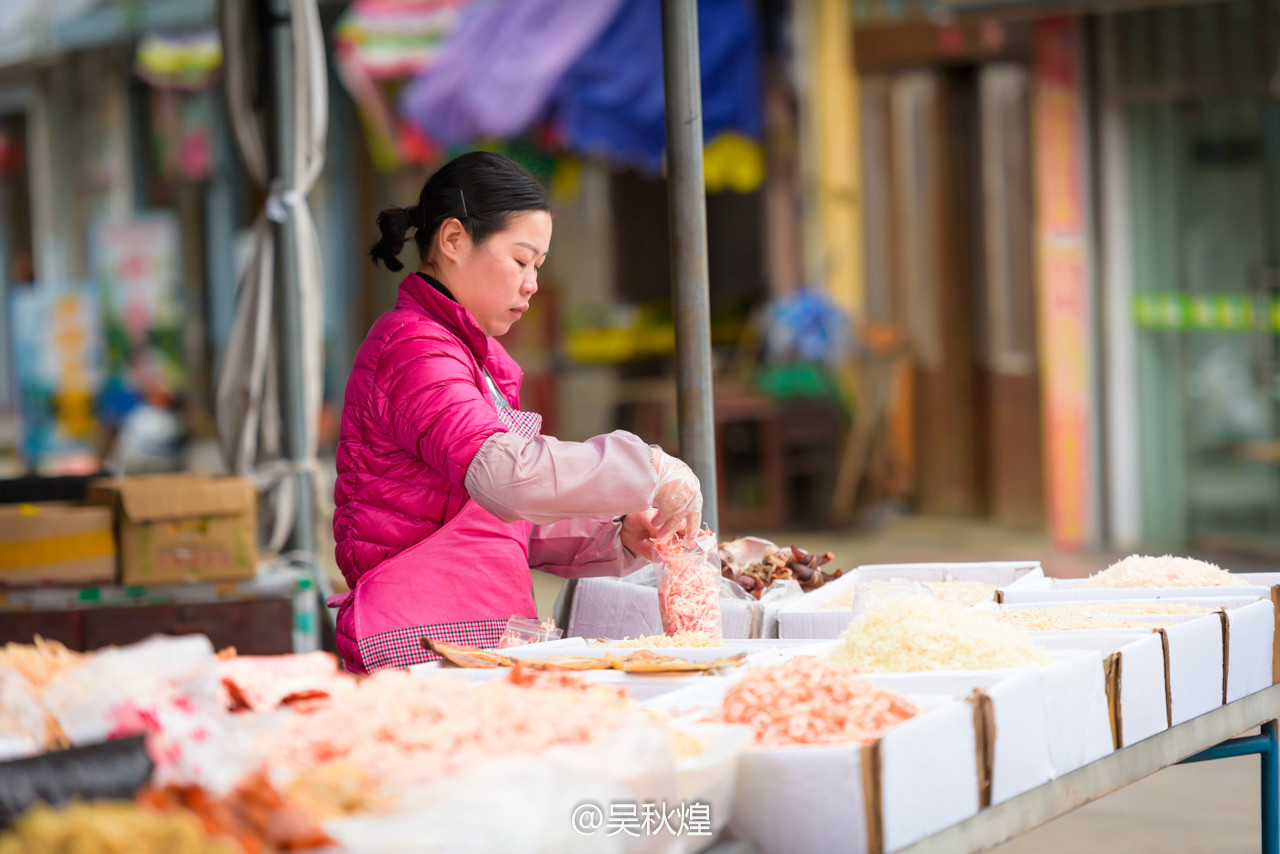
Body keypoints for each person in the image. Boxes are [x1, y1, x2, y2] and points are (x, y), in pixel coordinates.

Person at [331, 151, 703, 673]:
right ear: (454, 240)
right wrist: (648, 466)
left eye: (538, 267)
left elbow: (493, 521)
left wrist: (616, 533)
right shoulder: (414, 348)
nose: (531, 284)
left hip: (470, 634)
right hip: (421, 645)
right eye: (521, 260)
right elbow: (508, 478)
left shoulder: (467, 356)